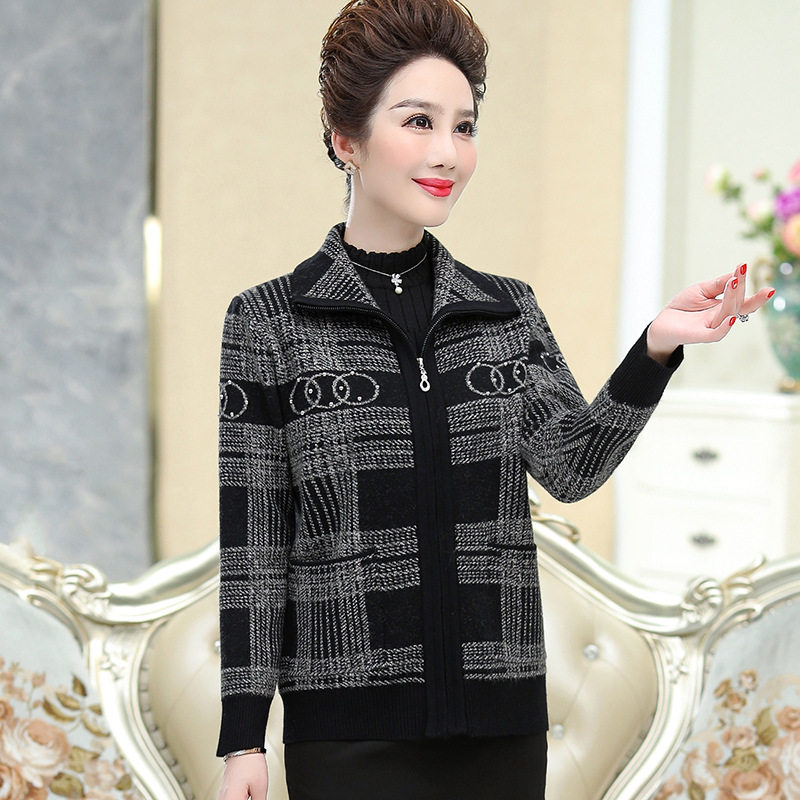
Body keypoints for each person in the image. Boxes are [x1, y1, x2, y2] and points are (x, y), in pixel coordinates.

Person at [214, 1, 774, 798]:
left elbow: (571, 467)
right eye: (419, 121)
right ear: (346, 140)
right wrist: (243, 737)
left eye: (464, 126)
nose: (448, 152)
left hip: (502, 732)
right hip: (346, 736)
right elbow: (256, 543)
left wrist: (656, 348)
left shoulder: (505, 313)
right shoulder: (270, 322)